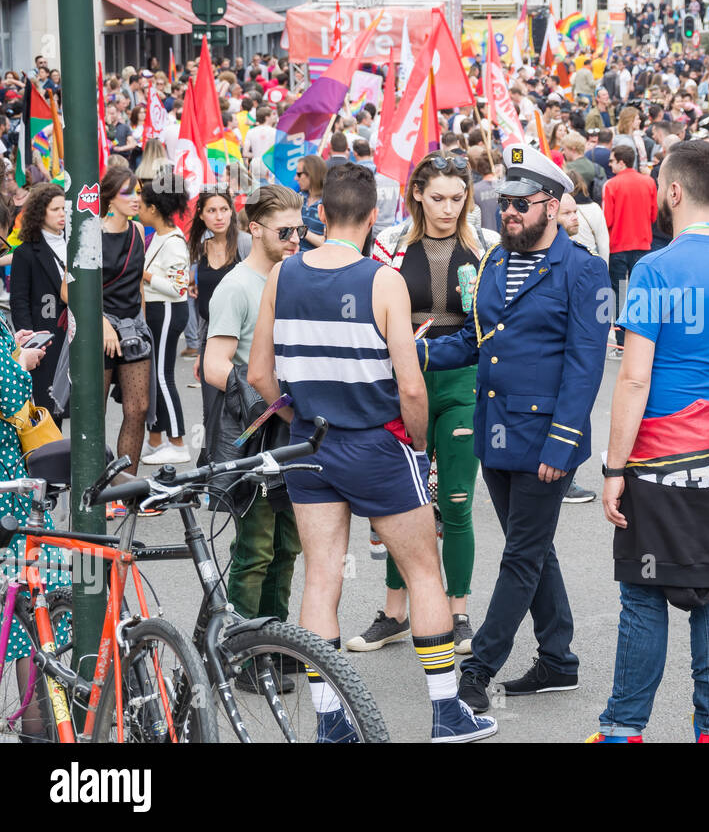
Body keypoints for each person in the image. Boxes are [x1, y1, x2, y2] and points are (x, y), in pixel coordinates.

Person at [248, 162, 497, 743]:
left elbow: (260, 374)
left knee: (320, 580)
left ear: (321, 212)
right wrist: (415, 440)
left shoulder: (282, 277)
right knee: (424, 573)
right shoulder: (382, 280)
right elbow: (412, 386)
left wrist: (300, 418)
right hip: (379, 441)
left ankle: (331, 722)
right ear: (372, 216)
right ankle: (445, 712)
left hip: (311, 443)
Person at [592, 140, 709, 743]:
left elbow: (635, 376)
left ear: (673, 192)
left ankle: (624, 729)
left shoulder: (655, 270)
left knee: (644, 594)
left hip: (661, 459)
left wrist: (613, 466)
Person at [417, 144, 607, 716]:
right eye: (505, 203)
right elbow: (478, 341)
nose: (510, 213)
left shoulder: (585, 270)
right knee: (535, 548)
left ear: (553, 204)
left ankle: (476, 671)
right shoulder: (498, 259)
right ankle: (558, 661)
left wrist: (564, 441)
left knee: (521, 554)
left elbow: (586, 365)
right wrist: (416, 354)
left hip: (546, 439)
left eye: (522, 204)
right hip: (494, 430)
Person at [356, 152, 496, 655]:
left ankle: (458, 613)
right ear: (417, 193)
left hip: (464, 381)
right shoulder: (388, 245)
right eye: (438, 197)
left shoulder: (488, 245)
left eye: (458, 198)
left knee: (456, 500)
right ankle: (395, 612)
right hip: (402, 379)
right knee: (402, 501)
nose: (449, 208)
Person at [204, 183, 304, 650]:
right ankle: (242, 652)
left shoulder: (296, 274)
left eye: (300, 229)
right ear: (256, 228)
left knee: (287, 546)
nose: (295, 238)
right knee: (256, 548)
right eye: (285, 230)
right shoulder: (237, 286)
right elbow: (214, 365)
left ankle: (274, 645)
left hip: (292, 428)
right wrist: (263, 392)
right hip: (257, 431)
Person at [0, 316, 64, 738]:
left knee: (25, 604)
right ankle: (38, 730)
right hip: (7, 493)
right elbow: (9, 394)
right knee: (38, 599)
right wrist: (18, 363)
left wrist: (11, 347)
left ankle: (38, 728)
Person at [90, 165, 151, 476]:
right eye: (128, 192)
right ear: (110, 199)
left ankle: (126, 488)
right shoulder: (90, 233)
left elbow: (138, 284)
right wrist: (100, 323)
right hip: (98, 330)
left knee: (138, 409)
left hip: (133, 328)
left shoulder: (138, 231)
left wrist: (140, 320)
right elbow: (66, 288)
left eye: (138, 192)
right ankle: (93, 486)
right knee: (93, 414)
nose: (136, 198)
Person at [139, 168, 192, 469]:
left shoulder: (172, 241)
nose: (139, 208)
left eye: (143, 204)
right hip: (160, 311)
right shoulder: (162, 236)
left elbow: (176, 286)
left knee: (162, 376)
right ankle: (157, 438)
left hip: (168, 310)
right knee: (155, 376)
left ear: (154, 209)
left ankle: (178, 442)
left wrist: (143, 273)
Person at [187, 186, 250, 442]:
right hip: (211, 340)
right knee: (211, 414)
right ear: (201, 215)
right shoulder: (201, 248)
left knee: (244, 411)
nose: (219, 216)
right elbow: (203, 305)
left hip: (243, 341)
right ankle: (213, 474)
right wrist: (201, 353)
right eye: (212, 211)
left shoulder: (245, 243)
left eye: (224, 209)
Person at [9, 183, 66, 423]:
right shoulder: (26, 253)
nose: (62, 214)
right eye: (55, 209)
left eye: (65, 209)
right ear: (40, 213)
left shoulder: (78, 244)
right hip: (47, 337)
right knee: (48, 408)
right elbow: (19, 301)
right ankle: (52, 458)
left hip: (76, 336)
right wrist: (30, 341)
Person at [603, 144, 658, 358]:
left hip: (618, 245)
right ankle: (641, 342)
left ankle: (620, 343)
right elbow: (653, 216)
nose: (609, 164)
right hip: (643, 243)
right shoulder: (648, 182)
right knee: (641, 293)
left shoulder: (612, 185)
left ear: (621, 161)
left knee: (618, 294)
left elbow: (608, 219)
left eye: (611, 160)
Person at [296, 154, 328, 248]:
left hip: (316, 261)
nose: (296, 178)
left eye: (299, 174)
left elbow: (327, 243)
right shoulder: (299, 197)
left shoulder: (329, 204)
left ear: (311, 175)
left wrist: (300, 230)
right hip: (294, 259)